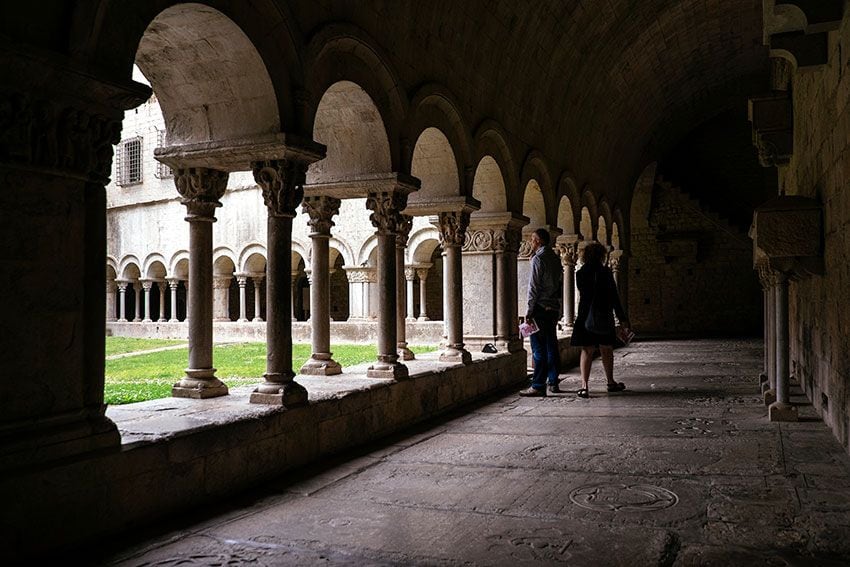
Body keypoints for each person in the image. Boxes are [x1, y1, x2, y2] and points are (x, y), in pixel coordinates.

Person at [570, 241, 630, 398]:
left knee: (587, 350)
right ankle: (610, 382)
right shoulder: (606, 272)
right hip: (604, 314)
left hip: (585, 315)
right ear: (601, 256)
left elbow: (584, 294)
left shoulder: (580, 273)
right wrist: (622, 318)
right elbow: (614, 296)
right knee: (606, 349)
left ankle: (584, 386)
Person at [519, 228, 563, 397]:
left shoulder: (538, 259)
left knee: (538, 348)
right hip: (553, 308)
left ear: (538, 241)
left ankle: (538, 385)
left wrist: (529, 311)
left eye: (532, 239)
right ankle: (553, 381)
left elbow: (534, 287)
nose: (531, 242)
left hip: (540, 308)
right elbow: (559, 285)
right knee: (551, 345)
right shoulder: (555, 259)